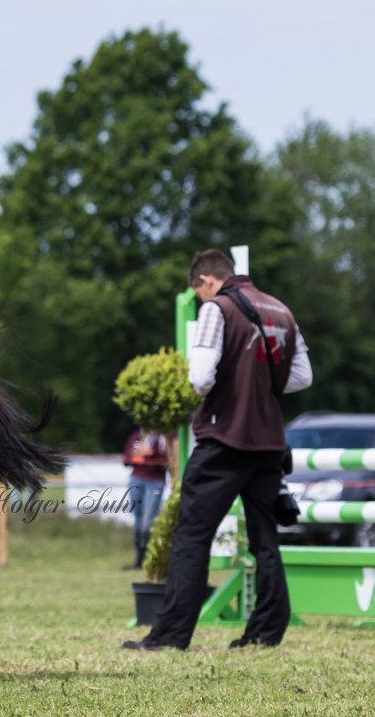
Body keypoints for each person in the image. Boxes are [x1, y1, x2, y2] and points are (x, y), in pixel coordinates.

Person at [123, 249, 312, 651]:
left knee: (191, 534)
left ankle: (171, 635)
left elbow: (201, 377)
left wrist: (232, 384)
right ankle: (265, 633)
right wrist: (259, 382)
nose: (201, 301)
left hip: (224, 437)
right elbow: (302, 377)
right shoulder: (280, 310)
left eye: (199, 293)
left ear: (206, 281)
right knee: (265, 539)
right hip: (268, 442)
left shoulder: (218, 309)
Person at [122, 428, 173, 569]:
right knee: (137, 519)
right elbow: (126, 459)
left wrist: (151, 454)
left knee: (148, 520)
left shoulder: (165, 438)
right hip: (137, 478)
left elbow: (170, 460)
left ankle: (149, 558)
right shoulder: (137, 436)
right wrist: (137, 456)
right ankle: (139, 559)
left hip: (155, 481)